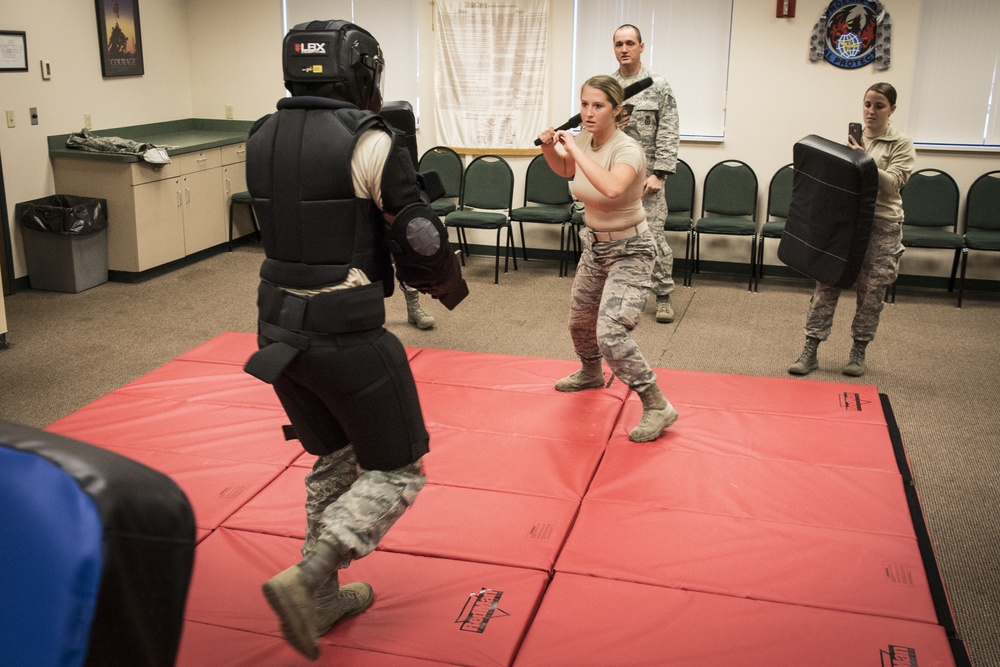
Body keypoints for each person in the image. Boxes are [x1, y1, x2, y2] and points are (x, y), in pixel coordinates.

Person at [242, 20, 468, 660]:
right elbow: (419, 238)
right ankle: (307, 579)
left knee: (334, 459)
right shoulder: (368, 140)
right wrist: (446, 285)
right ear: (363, 72)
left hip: (275, 325)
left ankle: (321, 600)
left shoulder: (258, 135)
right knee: (398, 470)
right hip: (344, 332)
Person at [538, 75, 678, 443]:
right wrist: (550, 148)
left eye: (598, 105)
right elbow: (568, 170)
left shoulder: (628, 149)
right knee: (580, 324)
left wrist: (577, 148)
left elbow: (612, 187)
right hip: (595, 247)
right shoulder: (583, 139)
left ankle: (657, 403)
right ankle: (590, 373)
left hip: (631, 250)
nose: (588, 112)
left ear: (618, 111)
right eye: (584, 104)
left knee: (611, 333)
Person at [788, 82, 915, 378]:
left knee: (871, 291)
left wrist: (864, 160)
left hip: (882, 223)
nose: (871, 111)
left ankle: (858, 351)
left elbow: (894, 183)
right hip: (846, 220)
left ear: (892, 109)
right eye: (867, 104)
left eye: (879, 106)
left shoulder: (901, 145)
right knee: (826, 282)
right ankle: (810, 349)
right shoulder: (852, 140)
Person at [610, 24, 681, 324]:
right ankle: (617, 294)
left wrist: (661, 174)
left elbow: (669, 130)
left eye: (629, 43)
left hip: (648, 178)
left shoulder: (658, 85)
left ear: (641, 46)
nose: (624, 49)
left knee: (651, 238)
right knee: (613, 238)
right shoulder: (607, 87)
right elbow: (595, 131)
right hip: (614, 176)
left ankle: (663, 295)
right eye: (618, 44)